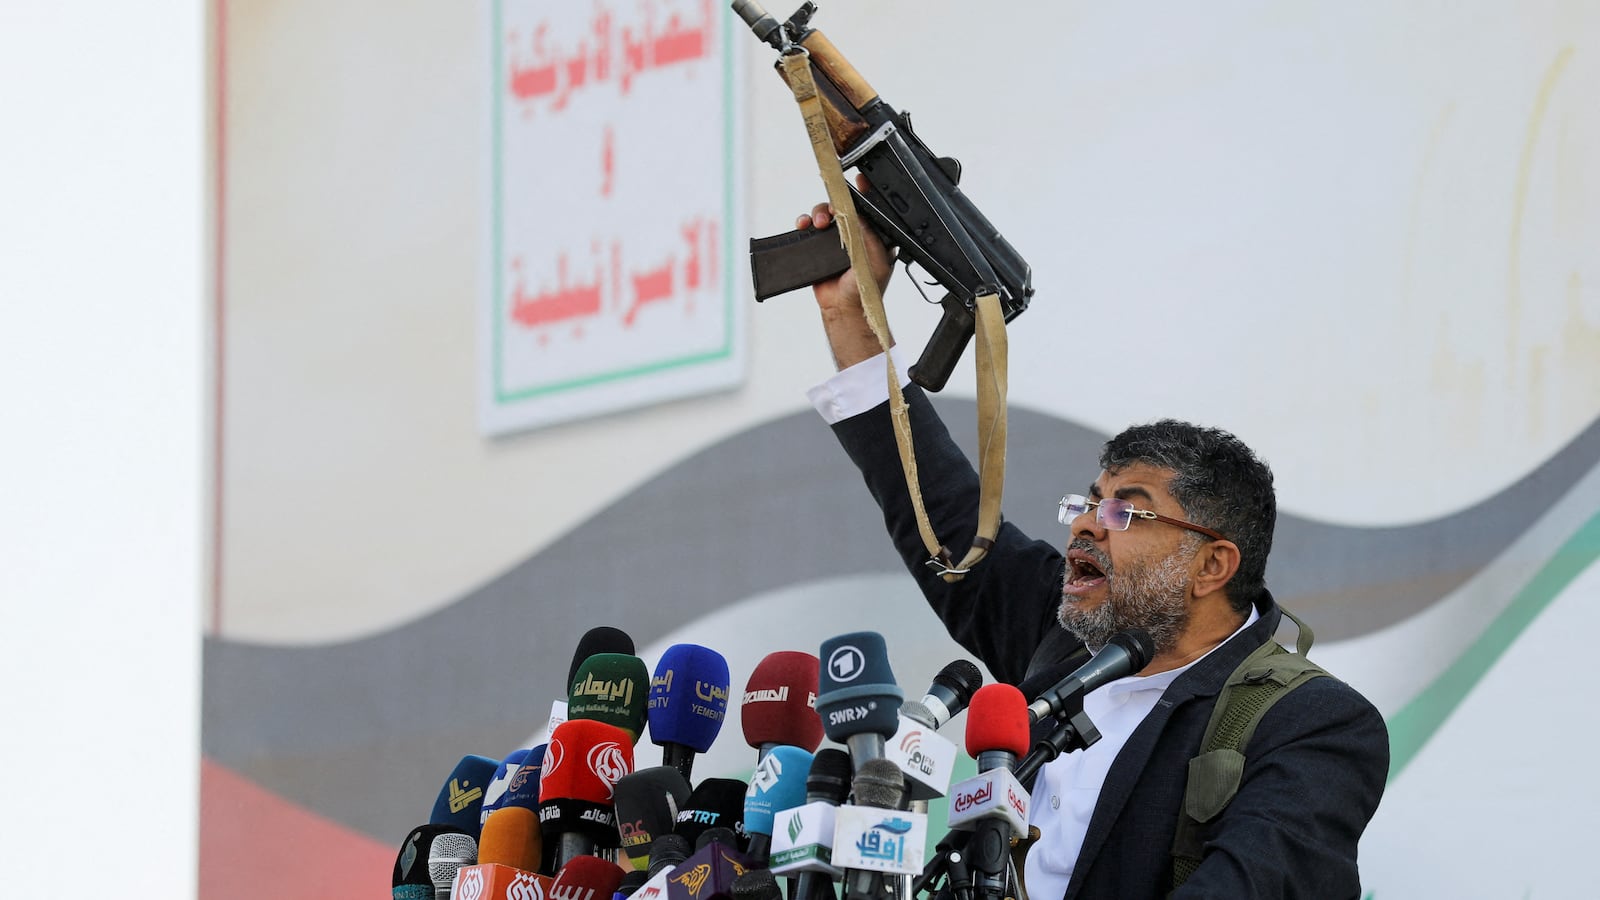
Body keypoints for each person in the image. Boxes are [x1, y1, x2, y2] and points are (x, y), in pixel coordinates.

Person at [795, 200, 1389, 899]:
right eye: (1086, 502)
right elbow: (941, 512)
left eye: (1124, 511)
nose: (1084, 526)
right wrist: (851, 314)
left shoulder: (1312, 723)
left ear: (1212, 565)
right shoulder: (1066, 644)